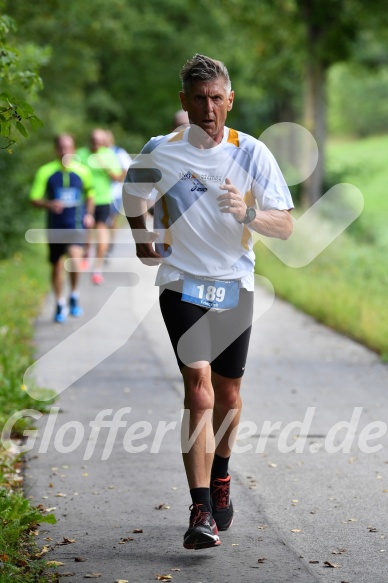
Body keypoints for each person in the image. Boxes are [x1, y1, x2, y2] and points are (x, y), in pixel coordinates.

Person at [123, 54, 294, 550]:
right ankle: (201, 509)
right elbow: (133, 196)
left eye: (217, 98)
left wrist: (249, 213)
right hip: (181, 282)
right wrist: (141, 238)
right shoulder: (162, 150)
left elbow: (284, 225)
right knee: (198, 389)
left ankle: (221, 472)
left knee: (229, 395)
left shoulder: (253, 153)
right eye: (199, 99)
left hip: (234, 284)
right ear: (184, 101)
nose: (208, 108)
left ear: (230, 100)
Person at [29, 134, 95, 323]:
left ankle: (73, 295)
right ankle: (59, 302)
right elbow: (34, 198)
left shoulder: (83, 171)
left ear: (74, 149)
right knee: (57, 266)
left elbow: (90, 193)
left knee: (75, 260)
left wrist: (89, 214)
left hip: (75, 225)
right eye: (61, 148)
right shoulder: (46, 172)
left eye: (69, 148)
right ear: (56, 150)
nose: (65, 151)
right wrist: (49, 204)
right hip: (55, 227)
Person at [77, 129, 122, 284]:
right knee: (87, 230)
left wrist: (106, 167)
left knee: (101, 230)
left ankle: (97, 268)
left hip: (103, 199)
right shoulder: (81, 154)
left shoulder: (109, 155)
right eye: (93, 141)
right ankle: (86, 251)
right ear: (90, 140)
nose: (96, 144)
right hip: (84, 199)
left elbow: (118, 177)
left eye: (99, 141)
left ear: (103, 142)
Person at [104, 130, 132, 258]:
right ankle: (103, 245)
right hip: (100, 193)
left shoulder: (118, 152)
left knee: (111, 220)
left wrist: (116, 177)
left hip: (115, 193)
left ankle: (109, 244)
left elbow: (128, 170)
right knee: (102, 221)